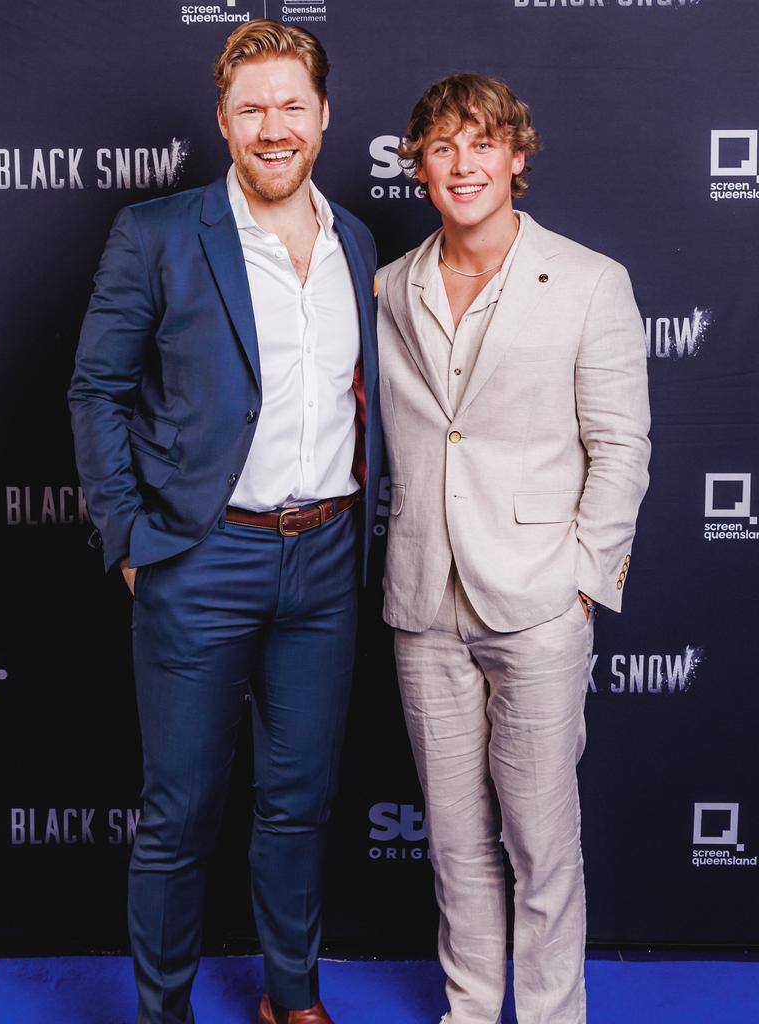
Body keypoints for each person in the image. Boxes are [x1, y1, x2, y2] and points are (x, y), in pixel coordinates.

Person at [69, 20, 381, 1024]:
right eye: (252, 108)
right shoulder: (159, 232)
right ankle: (164, 1011)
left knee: (300, 806)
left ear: (324, 116)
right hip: (198, 560)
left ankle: (292, 999)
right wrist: (127, 541)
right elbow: (96, 389)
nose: (273, 127)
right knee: (179, 815)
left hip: (326, 561)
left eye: (292, 105)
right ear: (223, 121)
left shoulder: (358, 241)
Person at [377, 74, 650, 1024]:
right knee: (454, 841)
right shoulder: (389, 287)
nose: (463, 165)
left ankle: (547, 1016)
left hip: (538, 600)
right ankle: (468, 1008)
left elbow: (621, 446)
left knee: (540, 838)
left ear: (516, 158)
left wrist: (581, 582)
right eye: (443, 147)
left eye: (482, 144)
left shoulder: (588, 281)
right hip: (423, 598)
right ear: (419, 165)